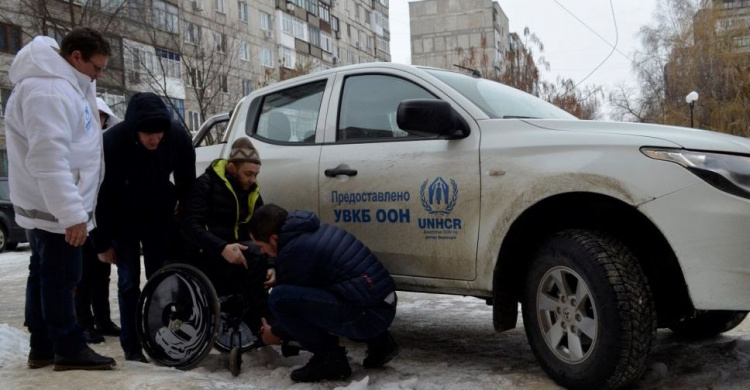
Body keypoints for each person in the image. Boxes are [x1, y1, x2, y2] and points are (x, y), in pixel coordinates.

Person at [4, 27, 116, 371]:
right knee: (61, 280)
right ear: (76, 57)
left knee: (43, 275)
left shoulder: (59, 83)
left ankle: (41, 347)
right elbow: (49, 158)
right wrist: (72, 213)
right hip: (56, 209)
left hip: (49, 206)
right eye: (96, 68)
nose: (98, 75)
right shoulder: (50, 90)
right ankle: (68, 347)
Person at [93, 92, 196, 363]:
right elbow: (100, 196)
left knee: (159, 279)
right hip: (122, 217)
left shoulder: (176, 137)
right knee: (128, 283)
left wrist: (185, 218)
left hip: (158, 216)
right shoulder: (112, 143)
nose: (154, 139)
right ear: (133, 129)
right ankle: (132, 346)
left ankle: (159, 338)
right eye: (147, 134)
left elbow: (188, 184)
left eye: (158, 133)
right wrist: (102, 243)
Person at [249, 204, 400, 382]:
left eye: (260, 245)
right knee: (336, 291)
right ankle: (380, 343)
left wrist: (273, 333)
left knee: (279, 298)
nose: (261, 251)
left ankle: (330, 360)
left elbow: (296, 309)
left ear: (274, 239)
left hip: (367, 316)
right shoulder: (308, 231)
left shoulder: (293, 251)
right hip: (383, 305)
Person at [182, 137, 272, 336]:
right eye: (248, 174)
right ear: (232, 168)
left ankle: (263, 317)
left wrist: (273, 264)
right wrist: (222, 247)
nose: (252, 180)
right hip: (207, 251)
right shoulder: (205, 185)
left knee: (266, 253)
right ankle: (259, 320)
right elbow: (190, 226)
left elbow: (263, 229)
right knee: (255, 254)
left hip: (236, 249)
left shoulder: (252, 191)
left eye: (256, 175)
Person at [74, 98, 122, 344]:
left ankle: (102, 320)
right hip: (81, 215)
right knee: (83, 275)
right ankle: (83, 323)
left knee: (102, 273)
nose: (99, 121)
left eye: (102, 117)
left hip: (101, 217)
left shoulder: (107, 144)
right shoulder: (79, 142)